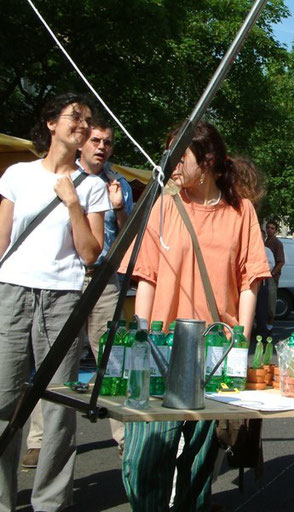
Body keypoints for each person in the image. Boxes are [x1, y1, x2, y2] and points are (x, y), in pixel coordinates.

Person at [120, 121, 270, 511]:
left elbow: (250, 281)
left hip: (214, 350)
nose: (169, 163)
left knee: (201, 458)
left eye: (178, 155)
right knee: (144, 456)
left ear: (206, 161)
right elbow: (146, 276)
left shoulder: (241, 212)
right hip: (161, 348)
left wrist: (240, 340)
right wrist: (141, 337)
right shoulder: (164, 206)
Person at [0, 93, 109, 512]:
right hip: (12, 290)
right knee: (4, 399)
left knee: (59, 404)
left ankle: (50, 503)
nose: (82, 125)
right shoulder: (18, 174)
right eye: (74, 117)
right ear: (51, 123)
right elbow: (3, 237)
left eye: (87, 120)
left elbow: (89, 253)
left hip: (63, 298)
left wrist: (73, 202)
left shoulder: (93, 186)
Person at [21, 116, 133, 468]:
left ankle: (127, 438)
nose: (102, 147)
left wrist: (119, 207)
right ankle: (40, 441)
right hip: (66, 279)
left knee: (113, 360)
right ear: (82, 143)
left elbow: (131, 235)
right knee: (54, 362)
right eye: (97, 140)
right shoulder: (64, 179)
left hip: (104, 281)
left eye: (109, 142)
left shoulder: (120, 184)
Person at [264, 220, 285, 330]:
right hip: (263, 276)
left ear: (276, 230)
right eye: (268, 227)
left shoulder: (277, 243)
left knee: (271, 301)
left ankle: (270, 325)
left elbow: (281, 261)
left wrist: (272, 273)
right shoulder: (265, 241)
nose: (270, 230)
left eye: (272, 228)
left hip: (272, 277)